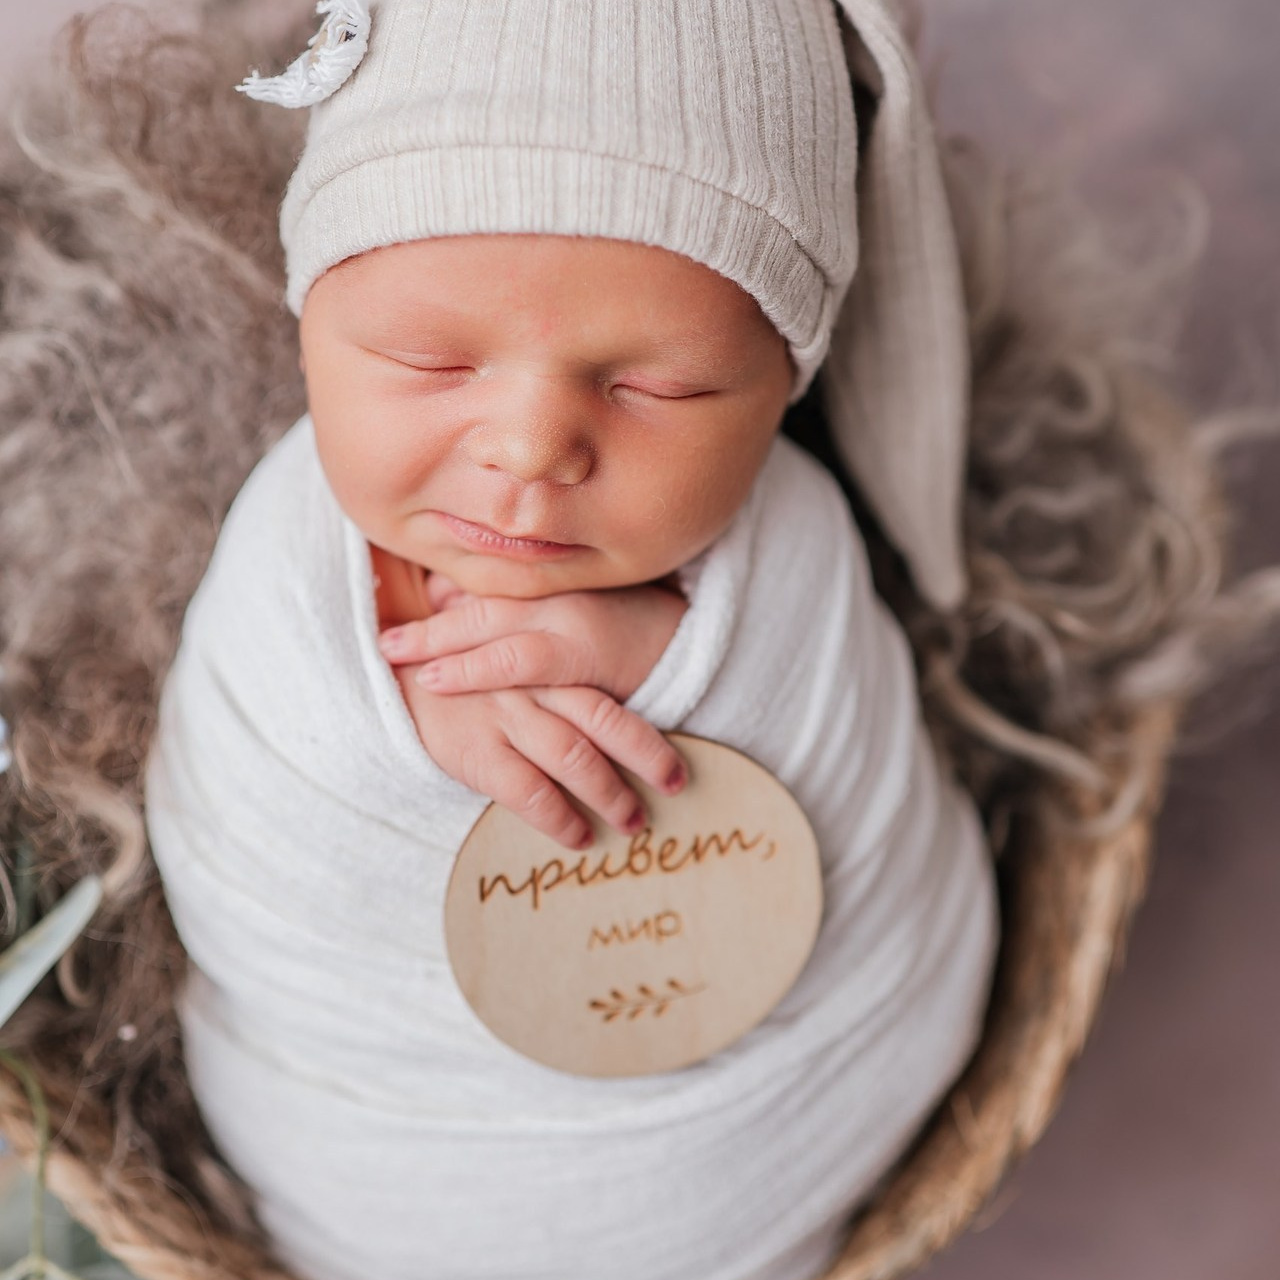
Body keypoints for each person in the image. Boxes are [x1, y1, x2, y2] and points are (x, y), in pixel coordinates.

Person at [143, 2, 999, 1278]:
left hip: (777, 1126)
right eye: (428, 362)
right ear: (307, 324)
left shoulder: (795, 546)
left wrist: (680, 662)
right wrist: (402, 733)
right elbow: (228, 808)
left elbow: (844, 749)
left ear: (783, 386)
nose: (532, 446)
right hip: (386, 1148)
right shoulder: (284, 558)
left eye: (657, 386)